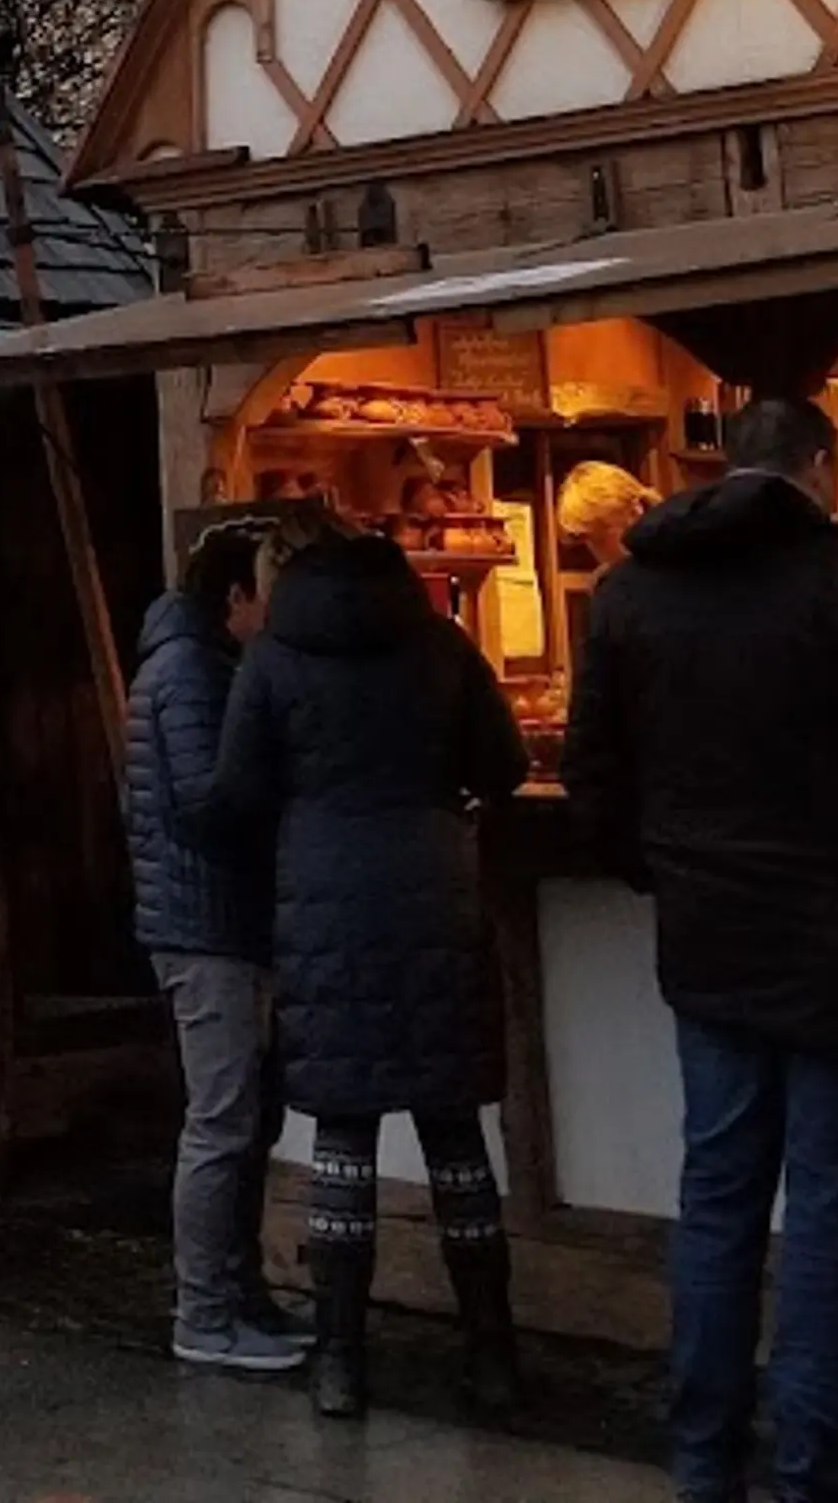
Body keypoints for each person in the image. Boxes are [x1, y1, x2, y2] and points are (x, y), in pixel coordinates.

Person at [565, 398, 838, 1503]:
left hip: (710, 946)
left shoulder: (631, 595)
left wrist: (665, 874)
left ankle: (704, 1462)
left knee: (717, 1202)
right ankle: (811, 1470)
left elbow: (594, 782)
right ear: (823, 466)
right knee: (831, 1220)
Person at [189, 508, 529, 1421]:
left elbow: (236, 790)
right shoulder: (443, 645)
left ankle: (340, 1358)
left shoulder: (274, 657)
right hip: (434, 888)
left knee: (342, 1133)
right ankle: (492, 1355)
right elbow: (503, 763)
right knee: (454, 1133)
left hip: (323, 896)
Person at [127, 517, 306, 1375]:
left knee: (242, 1119)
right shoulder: (192, 674)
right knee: (224, 1119)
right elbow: (205, 801)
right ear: (236, 598)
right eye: (267, 596)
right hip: (205, 926)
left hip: (212, 921)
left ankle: (239, 1297)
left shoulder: (194, 665)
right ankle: (205, 1311)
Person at [556, 462, 656, 575]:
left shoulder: (676, 563)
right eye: (590, 541)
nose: (600, 554)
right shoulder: (606, 582)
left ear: (635, 512)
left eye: (601, 540)